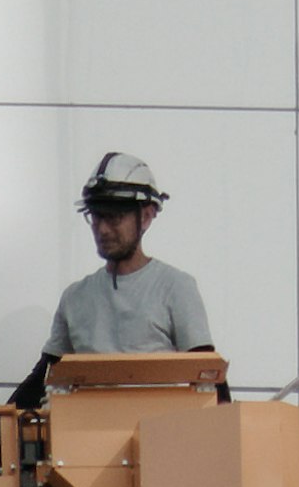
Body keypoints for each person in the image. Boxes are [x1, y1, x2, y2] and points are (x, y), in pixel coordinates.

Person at [12, 149, 215, 408]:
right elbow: (46, 375)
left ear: (147, 216)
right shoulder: (75, 297)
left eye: (114, 217)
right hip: (86, 437)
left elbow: (209, 377)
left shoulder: (176, 287)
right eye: (96, 217)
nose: (102, 229)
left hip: (159, 437)